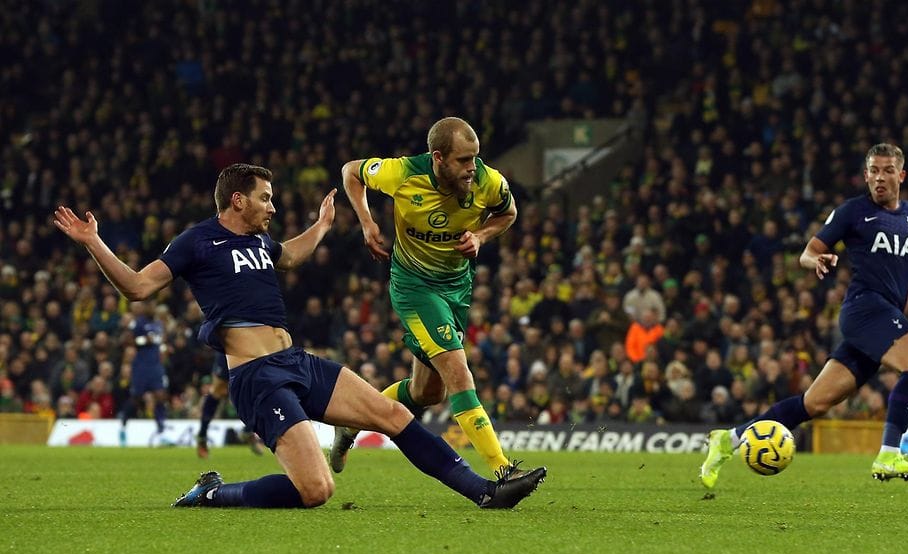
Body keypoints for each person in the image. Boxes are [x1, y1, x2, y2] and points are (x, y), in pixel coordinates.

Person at [54, 162, 545, 509]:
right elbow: (139, 287)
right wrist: (94, 241)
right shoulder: (197, 241)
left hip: (297, 363)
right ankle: (213, 493)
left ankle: (483, 491)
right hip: (256, 379)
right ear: (238, 199)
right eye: (266, 198)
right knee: (317, 491)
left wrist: (322, 226)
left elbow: (288, 254)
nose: (272, 206)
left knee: (393, 412)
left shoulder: (262, 241)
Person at [700, 143, 908, 488]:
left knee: (813, 403)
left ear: (901, 175)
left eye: (887, 170)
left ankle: (728, 440)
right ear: (865, 175)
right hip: (865, 308)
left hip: (878, 318)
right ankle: (889, 454)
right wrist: (818, 261)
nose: (879, 178)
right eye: (873, 171)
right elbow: (808, 253)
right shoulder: (853, 212)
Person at [331, 117, 532, 478]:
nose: (473, 168)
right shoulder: (403, 174)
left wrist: (482, 236)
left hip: (457, 287)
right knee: (457, 370)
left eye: (475, 158)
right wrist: (366, 220)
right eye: (463, 160)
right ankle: (503, 469)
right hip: (415, 287)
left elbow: (508, 213)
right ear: (438, 158)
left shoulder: (490, 182)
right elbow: (351, 171)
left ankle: (350, 422)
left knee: (427, 393)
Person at [195, 353, 264, 458]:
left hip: (254, 343)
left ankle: (249, 429)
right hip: (230, 344)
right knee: (218, 389)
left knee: (260, 386)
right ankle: (202, 436)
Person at [120, 301, 169, 443]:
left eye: (153, 306)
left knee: (160, 394)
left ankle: (161, 424)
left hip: (155, 365)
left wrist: (164, 349)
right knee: (137, 397)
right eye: (149, 306)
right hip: (141, 366)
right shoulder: (138, 323)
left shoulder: (159, 324)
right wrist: (143, 340)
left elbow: (161, 341)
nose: (151, 308)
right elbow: (128, 341)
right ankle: (124, 417)